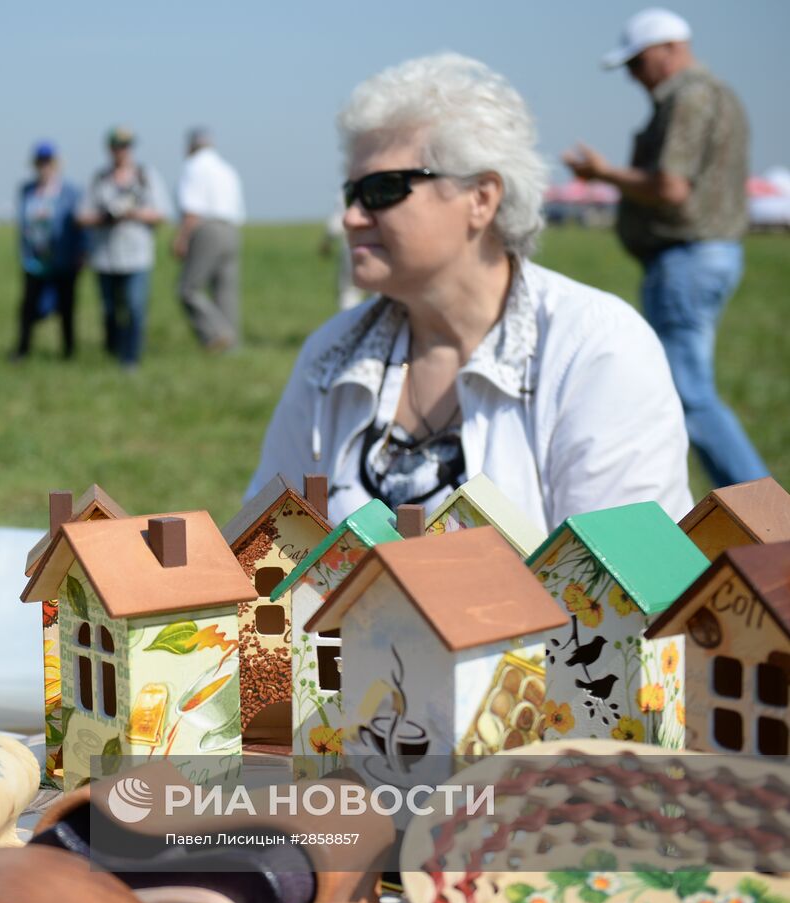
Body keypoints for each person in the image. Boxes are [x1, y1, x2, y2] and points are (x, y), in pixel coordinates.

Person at [248, 53, 691, 533]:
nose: (352, 217)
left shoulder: (594, 350)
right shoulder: (329, 357)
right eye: (351, 194)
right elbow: (266, 550)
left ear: (481, 198)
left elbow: (617, 590)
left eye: (380, 190)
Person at [562, 8, 767, 488]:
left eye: (638, 62)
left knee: (688, 394)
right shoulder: (720, 94)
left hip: (686, 259)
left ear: (670, 49)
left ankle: (763, 515)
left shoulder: (689, 96)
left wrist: (603, 173)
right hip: (707, 254)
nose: (634, 76)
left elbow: (672, 188)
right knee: (690, 390)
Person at [77, 126, 168, 369]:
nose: (121, 151)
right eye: (117, 146)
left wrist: (133, 213)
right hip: (105, 256)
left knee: (135, 307)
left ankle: (131, 357)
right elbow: (81, 216)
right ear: (109, 149)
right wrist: (106, 216)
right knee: (109, 309)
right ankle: (112, 350)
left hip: (137, 256)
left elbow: (161, 213)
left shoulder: (146, 177)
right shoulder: (98, 178)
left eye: (126, 146)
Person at [173, 127, 245, 352]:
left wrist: (182, 238)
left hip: (207, 228)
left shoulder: (194, 167)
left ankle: (217, 333)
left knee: (188, 289)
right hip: (232, 229)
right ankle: (231, 347)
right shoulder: (226, 168)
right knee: (225, 291)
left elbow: (192, 209)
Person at [13, 141, 85, 360]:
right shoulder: (27, 190)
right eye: (40, 162)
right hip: (34, 260)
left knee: (66, 308)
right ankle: (23, 349)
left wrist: (81, 252)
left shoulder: (71, 192)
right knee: (28, 307)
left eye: (48, 162)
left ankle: (68, 352)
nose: (44, 167)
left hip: (63, 259)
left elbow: (79, 225)